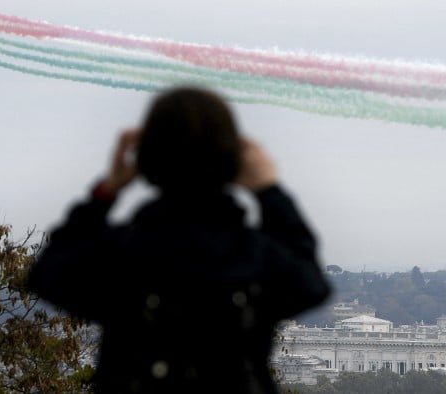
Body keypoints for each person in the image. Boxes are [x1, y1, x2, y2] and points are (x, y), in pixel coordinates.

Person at [27, 87, 330, 393]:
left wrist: (106, 191)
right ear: (235, 158)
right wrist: (269, 190)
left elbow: (48, 273)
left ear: (145, 158)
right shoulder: (256, 257)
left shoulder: (120, 254)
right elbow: (311, 283)